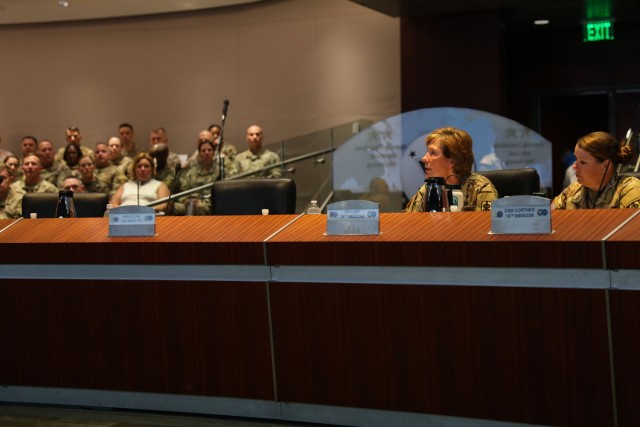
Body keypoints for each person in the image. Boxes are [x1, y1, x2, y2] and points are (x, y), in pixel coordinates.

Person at [404, 127, 498, 212]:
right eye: (427, 152)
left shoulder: (481, 188)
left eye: (433, 153)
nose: (424, 158)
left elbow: (485, 226)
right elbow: (409, 223)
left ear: (453, 160)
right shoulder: (428, 189)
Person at [552, 131, 640, 209]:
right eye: (576, 159)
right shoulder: (572, 191)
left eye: (582, 162)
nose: (574, 166)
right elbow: (546, 220)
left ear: (606, 165)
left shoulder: (631, 191)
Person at [172, 138, 224, 216]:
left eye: (209, 150)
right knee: (171, 206)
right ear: (199, 154)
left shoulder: (220, 171)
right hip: (190, 202)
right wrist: (185, 200)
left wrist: (202, 201)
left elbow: (222, 194)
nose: (207, 153)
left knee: (199, 206)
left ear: (214, 153)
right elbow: (183, 190)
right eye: (203, 151)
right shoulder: (192, 172)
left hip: (209, 203)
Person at [4, 154, 58, 218]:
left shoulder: (50, 189)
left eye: (33, 164)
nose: (30, 166)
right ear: (22, 168)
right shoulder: (13, 188)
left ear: (41, 167)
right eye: (26, 164)